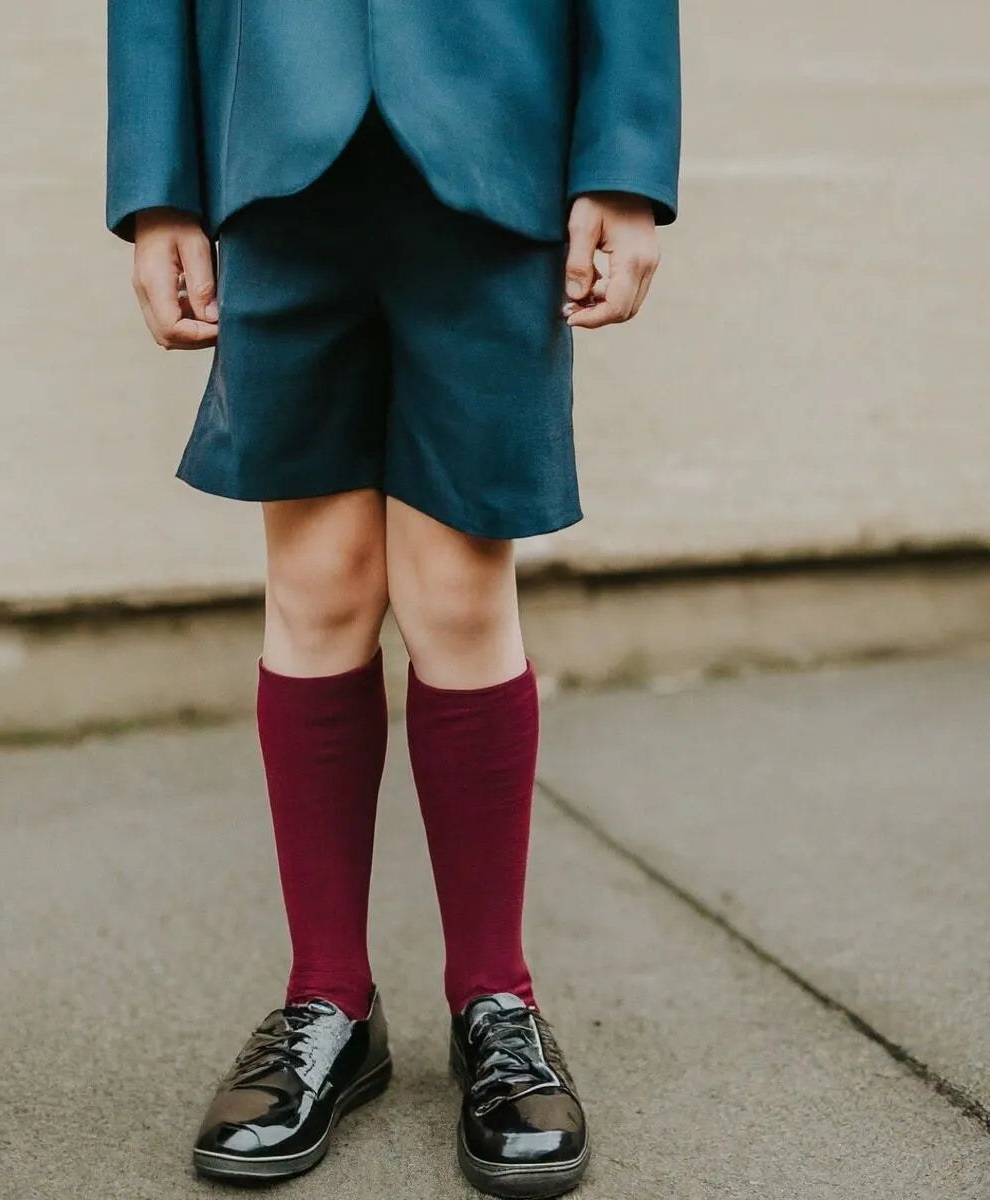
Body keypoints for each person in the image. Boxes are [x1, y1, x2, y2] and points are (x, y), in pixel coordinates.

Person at [106, 3, 680, 1195]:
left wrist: (624, 156)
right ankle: (328, 997)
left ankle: (494, 999)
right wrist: (159, 184)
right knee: (316, 584)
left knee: (460, 594)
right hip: (272, 143)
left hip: (496, 132)